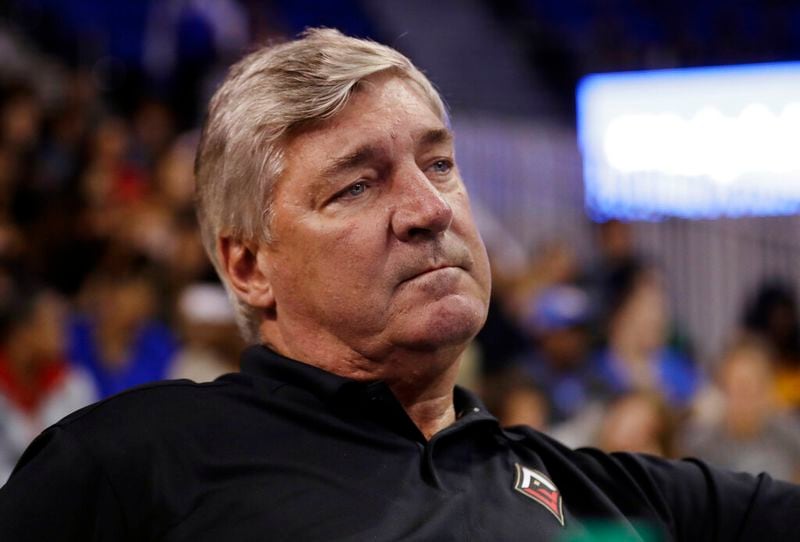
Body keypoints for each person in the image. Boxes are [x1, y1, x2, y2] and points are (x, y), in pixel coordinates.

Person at [0, 28, 798, 541]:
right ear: (248, 266)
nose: (428, 208)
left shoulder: (602, 496)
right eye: (356, 186)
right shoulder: (130, 469)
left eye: (440, 164)